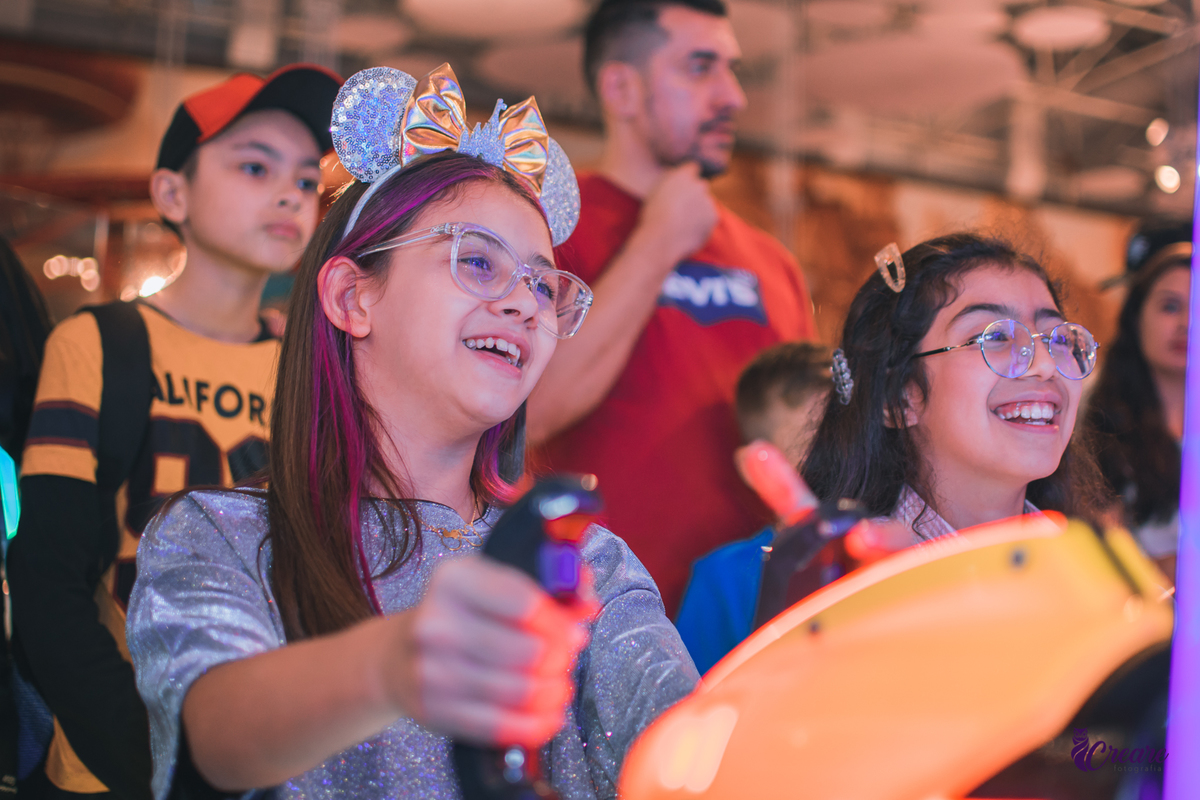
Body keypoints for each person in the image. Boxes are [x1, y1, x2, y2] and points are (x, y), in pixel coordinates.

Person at [125, 64, 697, 800]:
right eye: (479, 262)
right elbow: (218, 737)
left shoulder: (586, 562)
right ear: (351, 296)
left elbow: (687, 752)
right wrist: (392, 664)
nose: (526, 304)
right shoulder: (219, 535)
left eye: (542, 282)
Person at [7, 64, 341, 799]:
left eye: (306, 180)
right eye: (254, 165)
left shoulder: (308, 374)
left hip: (261, 756)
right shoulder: (97, 344)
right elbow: (49, 583)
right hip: (106, 764)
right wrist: (150, 763)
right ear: (171, 192)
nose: (289, 192)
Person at [531, 0, 817, 616]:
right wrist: (657, 242)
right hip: (593, 632)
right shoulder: (544, 227)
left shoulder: (771, 263)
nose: (733, 95)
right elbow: (527, 410)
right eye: (700, 67)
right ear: (621, 88)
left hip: (754, 623)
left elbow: (818, 454)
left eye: (732, 69)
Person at [802, 233, 1106, 541]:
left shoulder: (1091, 569)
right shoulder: (857, 574)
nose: (1046, 364)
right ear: (897, 395)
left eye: (1059, 339)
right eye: (995, 337)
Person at [674, 342, 831, 673]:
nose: (837, 455)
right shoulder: (722, 578)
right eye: (811, 443)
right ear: (754, 466)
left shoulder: (884, 540)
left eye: (848, 433)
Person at [1086, 240, 1190, 579]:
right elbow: (1096, 558)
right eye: (1171, 307)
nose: (1187, 323)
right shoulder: (1098, 420)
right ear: (1136, 317)